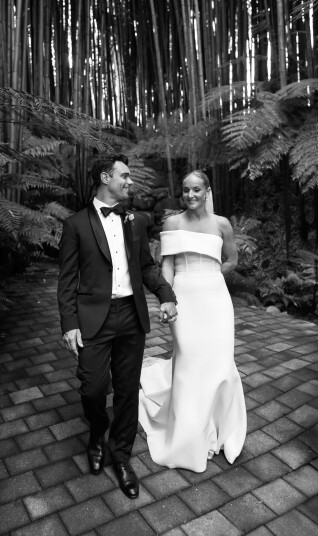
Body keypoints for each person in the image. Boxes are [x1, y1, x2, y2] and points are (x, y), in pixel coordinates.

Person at [57, 153, 177, 499]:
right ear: (105, 177)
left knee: (127, 390)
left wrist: (166, 295)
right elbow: (67, 280)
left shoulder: (135, 221)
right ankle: (97, 431)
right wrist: (69, 323)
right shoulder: (76, 224)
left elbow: (147, 266)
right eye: (124, 175)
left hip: (131, 314)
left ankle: (121, 455)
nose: (130, 181)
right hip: (93, 317)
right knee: (93, 388)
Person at [138, 170, 247, 473]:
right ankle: (188, 435)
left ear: (207, 191)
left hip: (216, 299)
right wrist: (167, 298)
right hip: (184, 297)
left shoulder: (221, 224)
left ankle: (219, 427)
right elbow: (168, 265)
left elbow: (232, 259)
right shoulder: (172, 224)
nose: (190, 195)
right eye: (186, 190)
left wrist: (211, 274)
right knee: (188, 359)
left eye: (196, 190)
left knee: (220, 361)